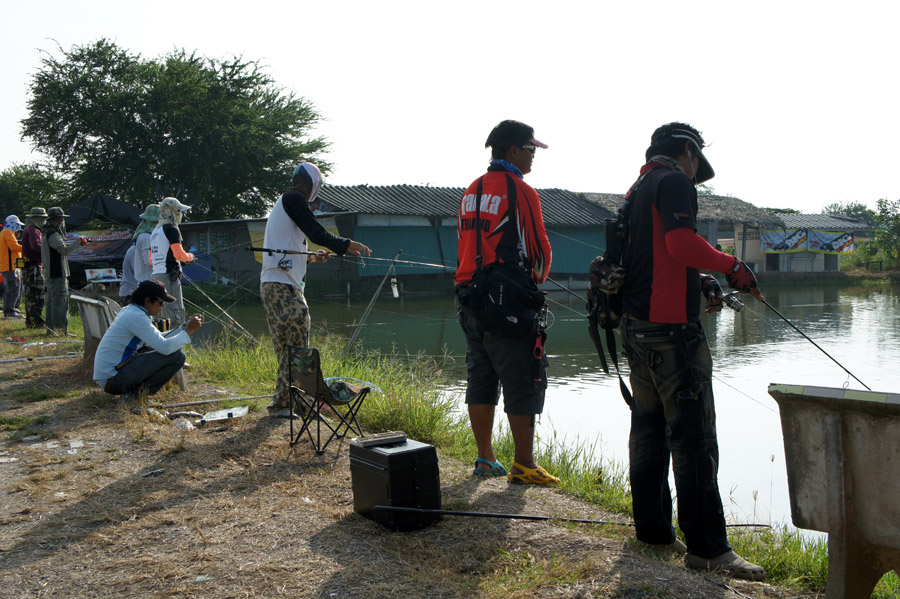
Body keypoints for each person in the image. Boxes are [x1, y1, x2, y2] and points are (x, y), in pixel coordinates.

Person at [618, 122, 764, 580]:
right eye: (696, 163)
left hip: (635, 327)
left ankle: (654, 532)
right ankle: (708, 549)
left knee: (648, 429)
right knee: (694, 437)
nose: (695, 172)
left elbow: (653, 257)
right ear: (688, 152)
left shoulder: (636, 188)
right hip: (673, 334)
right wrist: (731, 265)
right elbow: (680, 243)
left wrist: (700, 279)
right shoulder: (675, 180)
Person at [454, 120, 557, 484]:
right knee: (523, 378)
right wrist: (538, 277)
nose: (533, 157)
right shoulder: (521, 191)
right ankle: (524, 464)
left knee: (481, 376)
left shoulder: (472, 189)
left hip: (469, 297)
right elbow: (539, 256)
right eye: (530, 150)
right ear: (513, 150)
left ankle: (485, 459)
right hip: (507, 303)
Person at [260, 162, 371, 418]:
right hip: (280, 285)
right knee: (297, 338)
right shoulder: (293, 199)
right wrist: (344, 244)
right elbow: (316, 231)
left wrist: (311, 257)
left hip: (281, 284)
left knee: (293, 347)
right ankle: (282, 403)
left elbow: (288, 248)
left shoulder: (287, 204)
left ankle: (299, 401)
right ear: (312, 186)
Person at [93, 279, 204, 397]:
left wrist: (183, 328)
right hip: (113, 379)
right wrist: (189, 330)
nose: (163, 305)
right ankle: (136, 395)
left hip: (112, 375)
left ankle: (135, 394)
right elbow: (165, 347)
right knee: (177, 356)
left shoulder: (133, 311)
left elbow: (159, 338)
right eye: (160, 302)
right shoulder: (137, 317)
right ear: (147, 301)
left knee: (175, 353)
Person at [41, 207, 87, 334]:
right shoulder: (53, 234)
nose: (62, 221)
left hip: (51, 273)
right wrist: (78, 242)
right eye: (60, 219)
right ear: (55, 220)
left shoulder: (47, 233)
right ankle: (60, 330)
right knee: (60, 302)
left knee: (52, 302)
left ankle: (51, 329)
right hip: (57, 273)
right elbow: (65, 250)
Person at [151, 197, 194, 327]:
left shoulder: (155, 231)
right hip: (168, 278)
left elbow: (150, 258)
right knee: (174, 314)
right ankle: (175, 346)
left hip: (155, 277)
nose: (180, 215)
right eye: (179, 211)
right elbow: (179, 254)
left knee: (160, 316)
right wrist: (190, 257)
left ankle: (160, 345)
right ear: (173, 212)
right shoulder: (172, 229)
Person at [20, 208, 48, 328]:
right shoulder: (33, 230)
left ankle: (30, 322)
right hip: (33, 266)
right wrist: (48, 251)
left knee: (30, 294)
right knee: (37, 294)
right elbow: (36, 246)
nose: (43, 221)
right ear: (36, 218)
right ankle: (37, 322)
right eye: (42, 219)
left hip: (29, 267)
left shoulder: (28, 228)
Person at [1, 215, 25, 318]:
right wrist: (27, 248)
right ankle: (10, 312)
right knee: (13, 288)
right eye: (17, 224)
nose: (18, 227)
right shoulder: (7, 232)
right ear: (13, 223)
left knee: (10, 288)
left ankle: (10, 309)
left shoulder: (5, 232)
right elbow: (14, 247)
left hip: (10, 266)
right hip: (10, 266)